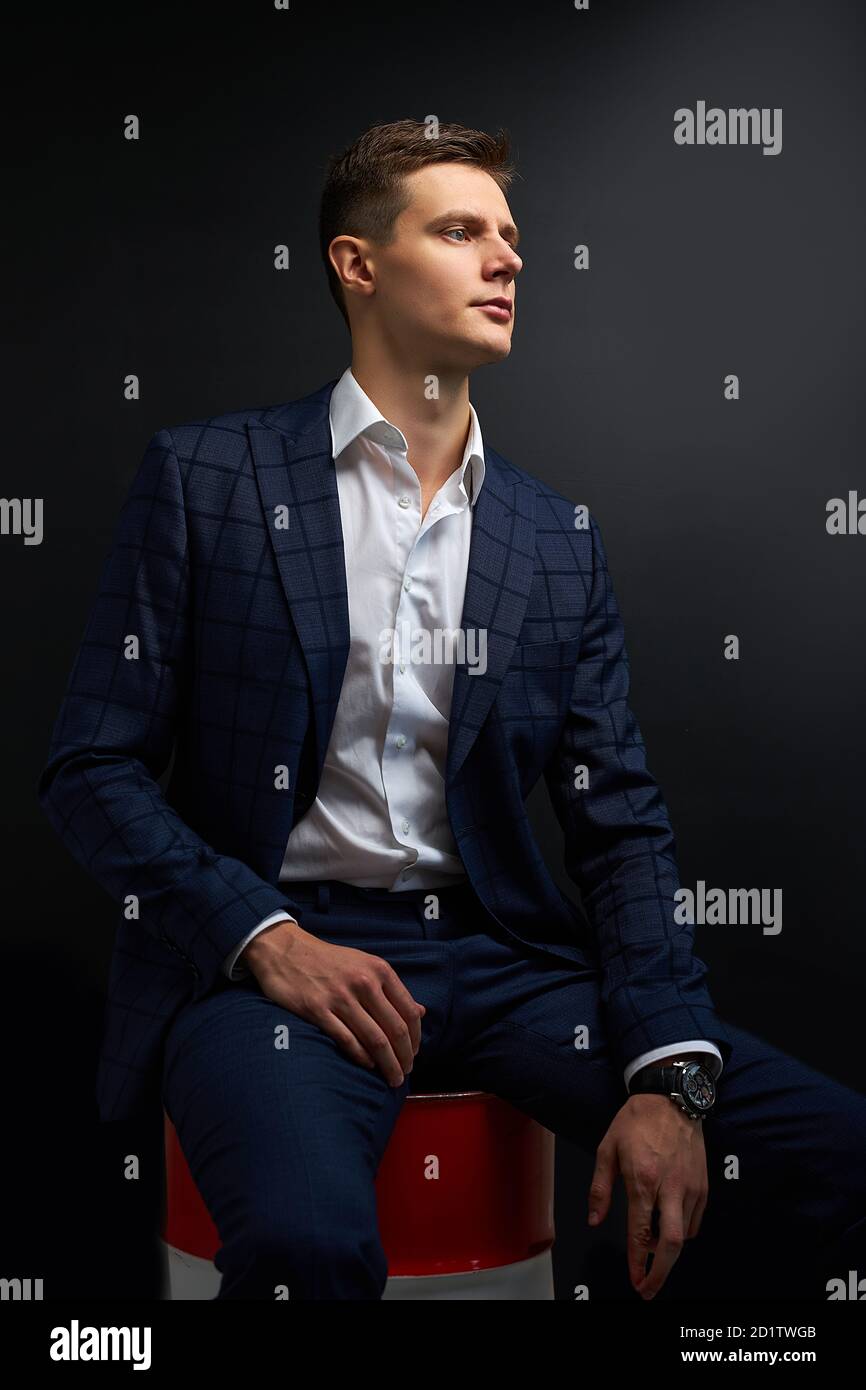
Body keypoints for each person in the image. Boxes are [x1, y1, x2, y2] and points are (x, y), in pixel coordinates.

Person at [38, 118, 866, 1301]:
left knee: (836, 1154)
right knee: (310, 1250)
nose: (507, 259)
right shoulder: (208, 479)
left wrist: (666, 1079)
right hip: (269, 954)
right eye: (461, 229)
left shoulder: (552, 537)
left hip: (497, 958)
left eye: (511, 236)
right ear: (356, 264)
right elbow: (90, 768)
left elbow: (618, 822)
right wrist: (263, 938)